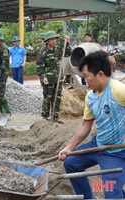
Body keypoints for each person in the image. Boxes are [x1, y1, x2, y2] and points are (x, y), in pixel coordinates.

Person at [58, 50, 125, 199]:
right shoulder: (90, 96)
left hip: (117, 152)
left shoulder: (119, 90)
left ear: (100, 74)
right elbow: (85, 125)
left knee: (111, 193)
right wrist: (69, 148)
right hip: (98, 145)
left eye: (87, 76)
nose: (85, 80)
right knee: (71, 163)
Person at [36, 31, 71, 124]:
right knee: (48, 97)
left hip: (58, 78)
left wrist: (67, 42)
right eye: (52, 39)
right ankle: (45, 115)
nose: (54, 41)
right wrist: (43, 76)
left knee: (57, 97)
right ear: (47, 41)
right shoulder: (43, 52)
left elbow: (68, 53)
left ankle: (55, 116)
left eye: (55, 39)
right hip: (48, 79)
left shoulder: (58, 49)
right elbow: (39, 67)